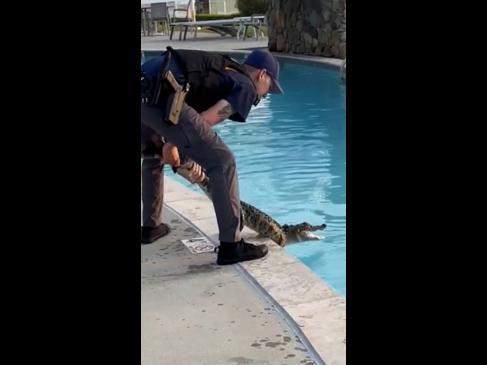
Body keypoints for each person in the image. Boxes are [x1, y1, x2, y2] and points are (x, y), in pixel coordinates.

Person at [140, 47, 283, 265]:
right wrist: (172, 143)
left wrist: (172, 144)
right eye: (269, 87)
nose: (264, 95)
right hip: (164, 92)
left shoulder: (225, 69)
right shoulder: (246, 85)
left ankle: (151, 227)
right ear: (262, 74)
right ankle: (231, 246)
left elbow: (190, 122)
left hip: (147, 84)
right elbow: (206, 119)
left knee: (152, 153)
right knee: (223, 162)